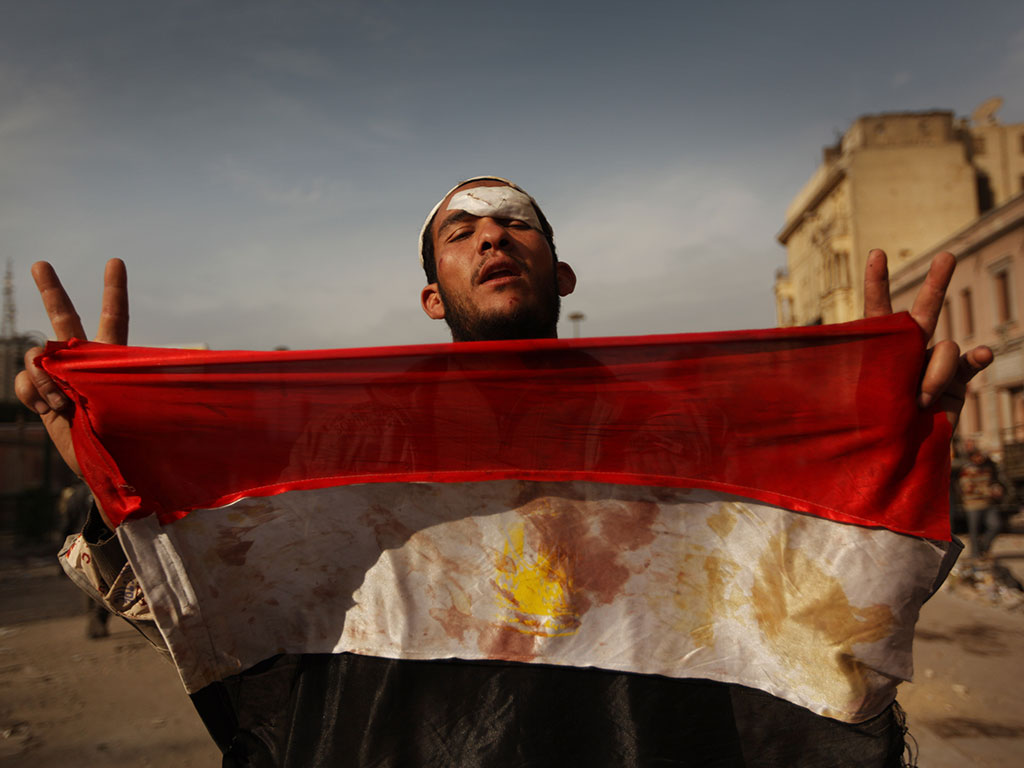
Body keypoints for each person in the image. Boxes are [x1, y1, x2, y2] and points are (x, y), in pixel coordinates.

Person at [14, 177, 994, 767]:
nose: (491, 234)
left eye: (516, 221)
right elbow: (226, 612)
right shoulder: (347, 453)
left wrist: (880, 448)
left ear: (561, 277)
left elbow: (817, 614)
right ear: (432, 296)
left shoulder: (677, 437)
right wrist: (119, 477)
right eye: (462, 227)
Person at [957, 446, 1006, 559]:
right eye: (978, 456)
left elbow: (992, 481)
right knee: (974, 531)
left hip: (988, 504)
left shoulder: (987, 468)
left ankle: (983, 547)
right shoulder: (967, 470)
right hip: (973, 505)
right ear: (972, 457)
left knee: (996, 525)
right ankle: (975, 555)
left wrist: (996, 488)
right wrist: (988, 492)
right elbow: (967, 488)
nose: (980, 458)